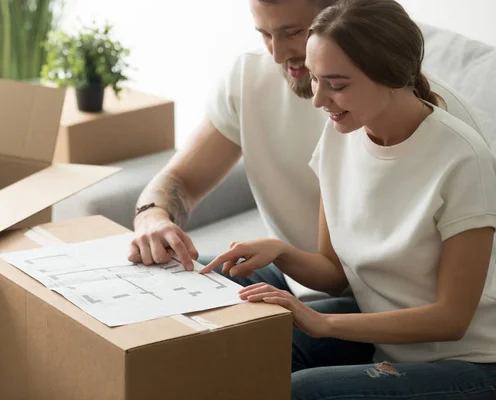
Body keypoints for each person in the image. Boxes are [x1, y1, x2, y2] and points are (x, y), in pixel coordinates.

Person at [198, 0, 496, 398]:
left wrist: (326, 325)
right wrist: (280, 252)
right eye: (316, 79)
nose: (319, 100)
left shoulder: (463, 159)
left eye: (336, 85)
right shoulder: (341, 136)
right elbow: (334, 272)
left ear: (391, 77)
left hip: (472, 360)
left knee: (304, 392)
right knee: (249, 342)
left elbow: (452, 320)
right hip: (384, 334)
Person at [128, 0, 486, 302]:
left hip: (387, 307)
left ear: (339, 16)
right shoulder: (250, 78)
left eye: (293, 32)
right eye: (265, 35)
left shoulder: (417, 115)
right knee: (159, 288)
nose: (278, 54)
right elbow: (181, 179)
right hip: (296, 278)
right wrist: (153, 217)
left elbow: (448, 304)